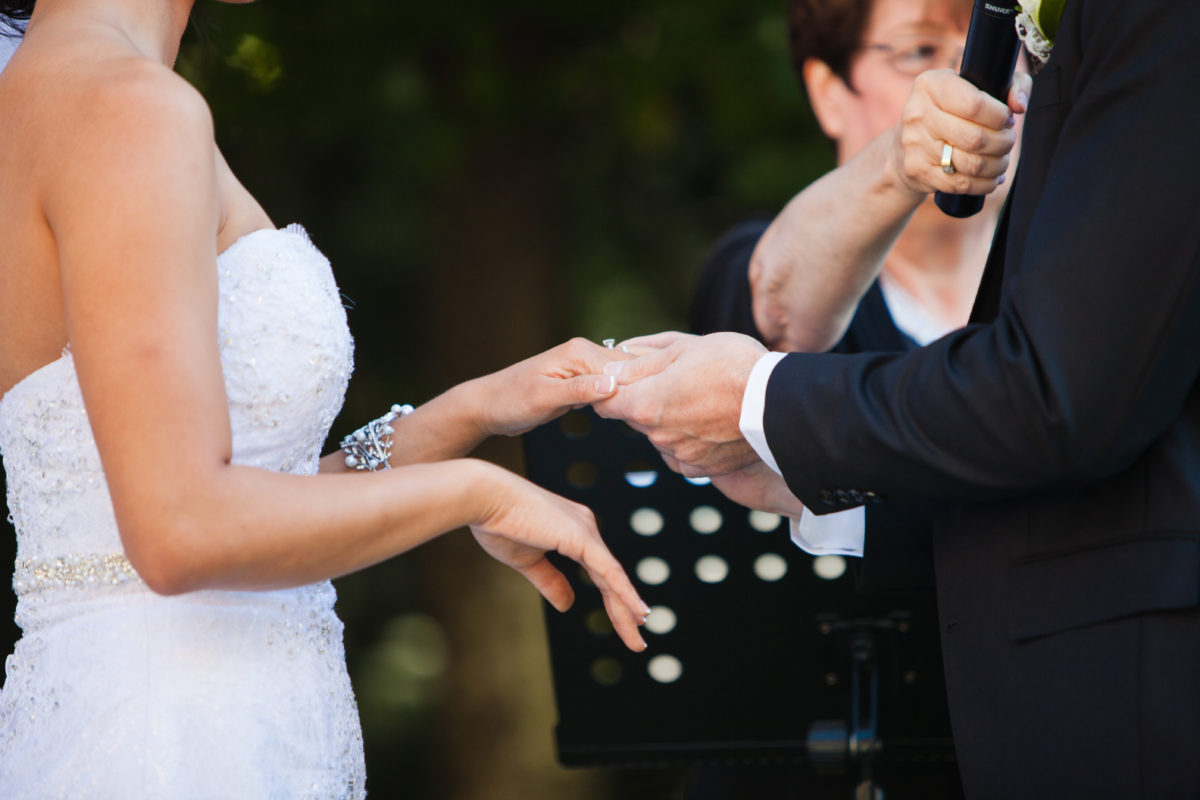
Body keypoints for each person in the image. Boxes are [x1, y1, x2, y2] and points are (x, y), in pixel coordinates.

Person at [0, 1, 650, 796]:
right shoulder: (128, 109)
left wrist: (470, 412)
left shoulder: (50, 93)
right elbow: (181, 532)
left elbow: (220, 516)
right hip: (180, 744)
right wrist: (477, 493)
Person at [599, 0, 1200, 796]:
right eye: (918, 48)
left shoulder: (1079, 281)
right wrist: (900, 162)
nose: (971, 75)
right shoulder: (767, 261)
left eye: (990, 46)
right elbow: (770, 318)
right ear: (828, 92)